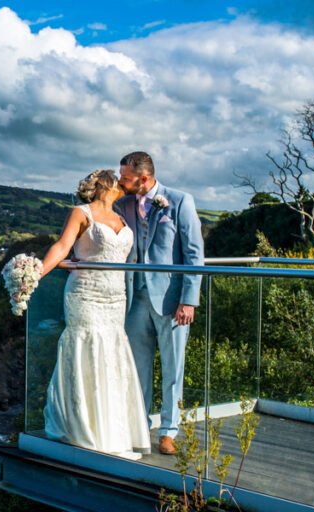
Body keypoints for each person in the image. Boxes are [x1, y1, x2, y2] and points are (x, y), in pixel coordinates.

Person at [38, 169, 151, 460]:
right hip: (85, 294)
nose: (123, 184)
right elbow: (63, 246)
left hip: (116, 298)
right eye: (118, 179)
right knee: (86, 349)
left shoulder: (122, 216)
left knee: (111, 355)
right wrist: (35, 274)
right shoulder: (80, 212)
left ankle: (112, 429)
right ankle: (84, 426)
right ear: (105, 184)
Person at [115, 151, 204, 456]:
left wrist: (189, 300)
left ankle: (168, 431)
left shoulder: (179, 201)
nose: (120, 181)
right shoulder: (123, 203)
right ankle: (139, 426)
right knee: (137, 369)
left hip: (171, 299)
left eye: (125, 177)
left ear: (144, 177)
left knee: (172, 367)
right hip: (135, 298)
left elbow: (194, 254)